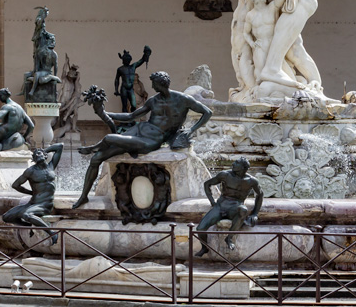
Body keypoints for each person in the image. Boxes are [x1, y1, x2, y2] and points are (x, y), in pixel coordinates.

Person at [73, 71, 213, 208]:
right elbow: (130, 116)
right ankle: (83, 196)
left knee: (109, 138)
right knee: (97, 158)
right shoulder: (154, 100)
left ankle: (93, 147)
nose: (152, 87)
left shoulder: (183, 99)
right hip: (139, 130)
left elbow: (207, 112)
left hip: (151, 141)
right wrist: (103, 112)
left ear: (160, 84)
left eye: (154, 84)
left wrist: (191, 129)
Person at [196, 157, 264, 254]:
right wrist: (212, 202)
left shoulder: (251, 181)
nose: (233, 164)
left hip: (235, 207)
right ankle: (204, 247)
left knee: (243, 210)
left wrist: (255, 213)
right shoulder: (225, 175)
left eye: (236, 162)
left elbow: (260, 194)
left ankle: (229, 238)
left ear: (242, 167)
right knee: (200, 229)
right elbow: (207, 184)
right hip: (220, 206)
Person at [3, 143, 64, 245]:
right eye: (35, 155)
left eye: (39, 154)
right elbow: (15, 185)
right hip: (33, 203)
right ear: (34, 160)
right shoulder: (30, 171)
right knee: (6, 217)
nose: (37, 155)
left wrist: (44, 150)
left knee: (27, 214)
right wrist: (30, 192)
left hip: (45, 204)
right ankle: (31, 225)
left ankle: (51, 233)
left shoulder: (51, 166)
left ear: (45, 155)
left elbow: (60, 146)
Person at [114, 46, 151, 113]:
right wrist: (116, 90)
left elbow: (141, 60)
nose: (127, 61)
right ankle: (125, 122)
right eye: (126, 59)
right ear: (123, 60)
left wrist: (146, 53)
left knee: (133, 105)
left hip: (130, 89)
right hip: (124, 88)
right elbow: (117, 79)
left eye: (128, 59)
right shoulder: (120, 69)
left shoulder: (133, 67)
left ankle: (132, 119)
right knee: (124, 106)